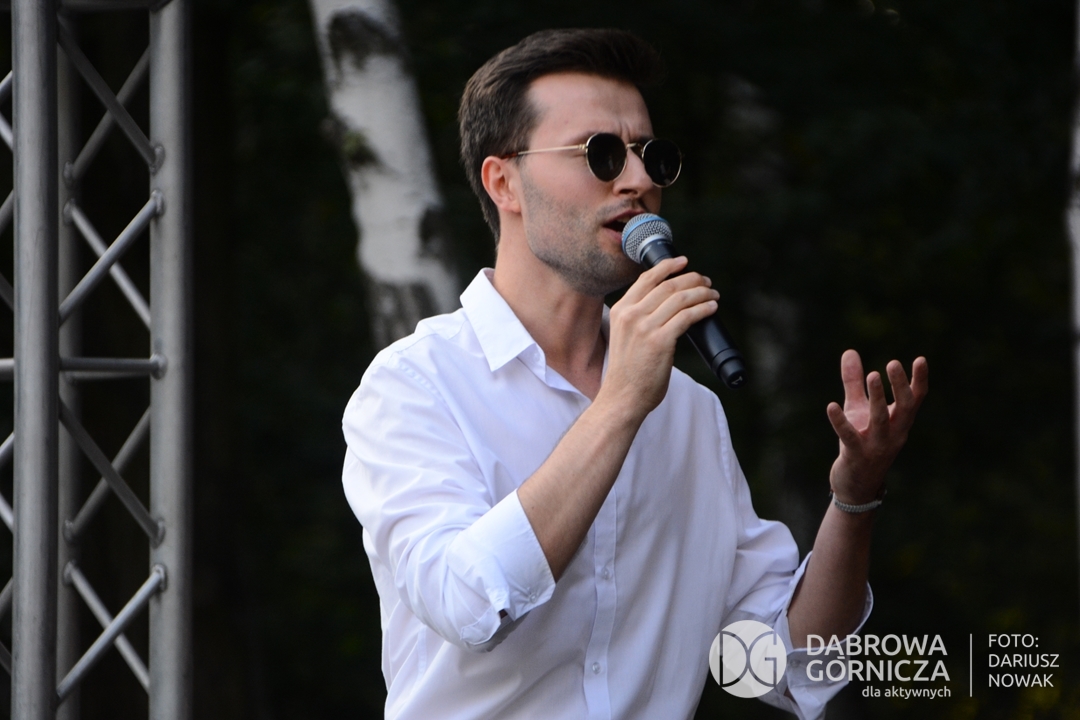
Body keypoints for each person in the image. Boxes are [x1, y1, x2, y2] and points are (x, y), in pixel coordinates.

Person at [342, 28, 928, 720]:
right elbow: (467, 603)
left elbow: (775, 665)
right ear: (505, 182)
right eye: (601, 153)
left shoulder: (688, 411)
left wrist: (854, 500)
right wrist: (619, 402)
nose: (640, 180)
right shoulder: (414, 384)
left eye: (653, 155)